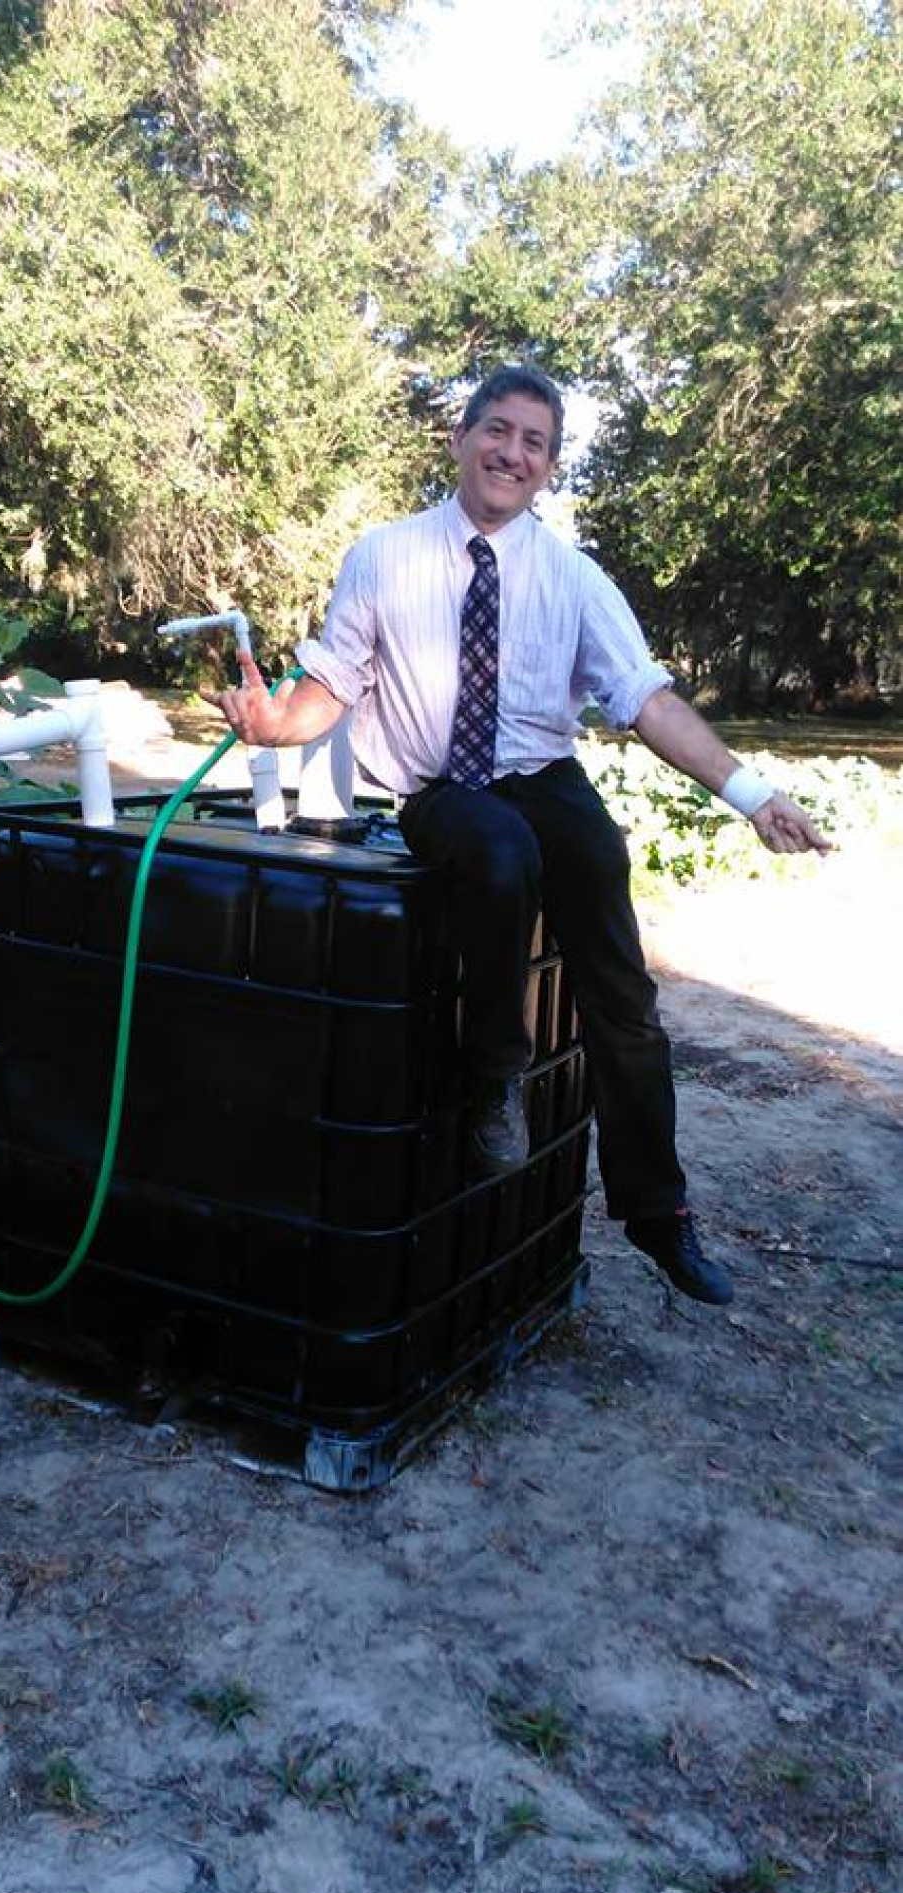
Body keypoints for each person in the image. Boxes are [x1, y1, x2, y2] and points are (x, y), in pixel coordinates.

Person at [205, 363, 830, 1306]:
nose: (512, 453)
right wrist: (269, 723)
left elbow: (645, 700)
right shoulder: (385, 555)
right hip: (437, 784)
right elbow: (328, 689)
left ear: (549, 468)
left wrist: (752, 793)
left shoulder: (572, 577)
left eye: (534, 443)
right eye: (498, 430)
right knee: (499, 853)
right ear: (461, 439)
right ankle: (497, 1075)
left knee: (615, 952)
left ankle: (661, 1215)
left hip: (544, 774)